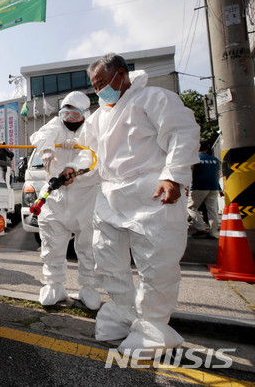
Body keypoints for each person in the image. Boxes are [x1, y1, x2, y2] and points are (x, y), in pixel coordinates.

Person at [60, 53, 200, 357]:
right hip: (111, 196)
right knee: (107, 258)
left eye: (101, 85)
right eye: (94, 87)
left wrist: (174, 176)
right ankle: (123, 314)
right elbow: (88, 154)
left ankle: (153, 327)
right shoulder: (98, 117)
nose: (98, 92)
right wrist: (74, 168)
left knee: (155, 262)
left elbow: (182, 133)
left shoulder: (153, 98)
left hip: (151, 192)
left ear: (121, 74)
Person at [29, 91, 101, 310]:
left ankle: (88, 288)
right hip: (56, 195)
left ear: (84, 114)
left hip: (85, 196)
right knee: (51, 243)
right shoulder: (55, 125)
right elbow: (41, 135)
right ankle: (54, 285)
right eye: (65, 113)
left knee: (88, 246)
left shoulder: (92, 129)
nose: (68, 119)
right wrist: (48, 150)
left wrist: (73, 168)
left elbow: (90, 154)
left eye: (74, 114)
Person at [187, 144, 222, 239]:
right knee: (212, 210)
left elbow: (191, 175)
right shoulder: (215, 160)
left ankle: (200, 228)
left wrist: (187, 187)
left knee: (191, 207)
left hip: (199, 186)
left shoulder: (194, 159)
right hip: (213, 187)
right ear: (207, 149)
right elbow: (217, 175)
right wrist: (218, 188)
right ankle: (213, 233)